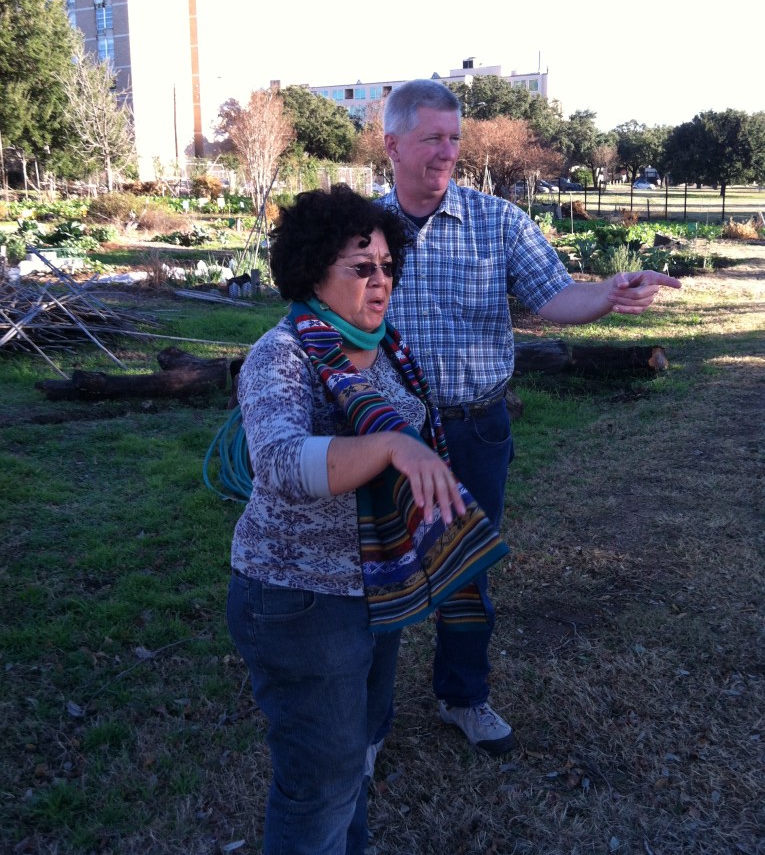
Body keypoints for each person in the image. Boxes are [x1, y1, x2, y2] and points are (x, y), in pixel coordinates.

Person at [381, 79, 682, 756]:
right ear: (392, 142)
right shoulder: (363, 229)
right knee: (382, 571)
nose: (446, 151)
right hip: (388, 436)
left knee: (466, 572)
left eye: (453, 138)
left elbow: (555, 299)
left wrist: (607, 293)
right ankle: (367, 724)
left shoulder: (498, 222)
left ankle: (462, 696)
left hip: (475, 428)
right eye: (432, 137)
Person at [226, 184, 508, 855]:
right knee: (317, 785)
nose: (380, 280)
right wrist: (388, 445)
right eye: (361, 267)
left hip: (376, 587)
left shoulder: (382, 350)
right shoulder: (282, 355)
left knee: (347, 765)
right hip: (300, 601)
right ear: (312, 271)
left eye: (386, 266)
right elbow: (280, 463)